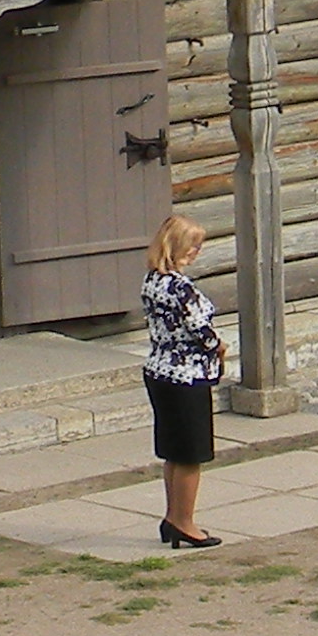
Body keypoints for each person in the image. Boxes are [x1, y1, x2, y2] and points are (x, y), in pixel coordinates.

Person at [141, 212, 229, 550]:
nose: (197, 252)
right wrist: (218, 346)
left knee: (173, 452)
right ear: (176, 245)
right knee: (191, 454)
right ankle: (185, 522)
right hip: (187, 375)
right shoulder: (180, 287)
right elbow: (200, 331)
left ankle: (172, 517)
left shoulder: (151, 281)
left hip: (158, 370)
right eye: (193, 246)